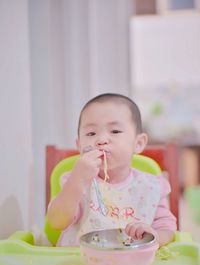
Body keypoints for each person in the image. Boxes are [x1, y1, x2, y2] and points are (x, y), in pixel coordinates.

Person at [47, 93, 177, 247]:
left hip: (134, 263)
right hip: (79, 263)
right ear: (79, 145)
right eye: (91, 133)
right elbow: (56, 222)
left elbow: (167, 229)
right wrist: (77, 180)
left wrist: (154, 235)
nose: (101, 140)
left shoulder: (151, 187)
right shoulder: (75, 182)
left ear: (139, 143)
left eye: (115, 131)